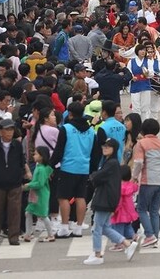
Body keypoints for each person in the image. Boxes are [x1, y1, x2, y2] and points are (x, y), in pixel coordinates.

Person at [84, 138, 140, 265]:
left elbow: (98, 176)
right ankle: (127, 244)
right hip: (106, 199)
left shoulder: (112, 163)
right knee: (104, 227)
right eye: (104, 146)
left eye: (108, 146)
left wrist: (92, 176)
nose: (105, 148)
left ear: (114, 148)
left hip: (105, 200)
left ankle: (97, 254)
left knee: (97, 227)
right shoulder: (110, 162)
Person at [49, 102, 95, 239]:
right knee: (81, 197)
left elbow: (59, 150)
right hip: (84, 167)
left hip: (68, 167)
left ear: (70, 114)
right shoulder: (91, 131)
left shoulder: (66, 129)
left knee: (63, 197)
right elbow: (94, 151)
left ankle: (64, 227)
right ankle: (78, 227)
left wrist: (51, 165)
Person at [0, 118, 30, 246]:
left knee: (14, 211)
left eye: (11, 129)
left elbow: (21, 162)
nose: (9, 132)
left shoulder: (16, 145)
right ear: (0, 132)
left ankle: (13, 237)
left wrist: (22, 174)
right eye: (6, 130)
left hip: (14, 183)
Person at [132, 118, 160, 248]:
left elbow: (138, 162)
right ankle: (155, 238)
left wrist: (134, 176)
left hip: (148, 180)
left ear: (143, 130)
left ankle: (149, 235)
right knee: (154, 210)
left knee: (141, 209)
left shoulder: (141, 144)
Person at [23, 146, 53, 243]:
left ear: (42, 156)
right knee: (29, 212)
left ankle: (50, 235)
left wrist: (28, 185)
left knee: (43, 215)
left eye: (36, 154)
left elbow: (39, 184)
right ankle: (28, 234)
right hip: (36, 194)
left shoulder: (41, 169)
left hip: (40, 195)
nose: (34, 155)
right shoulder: (40, 167)